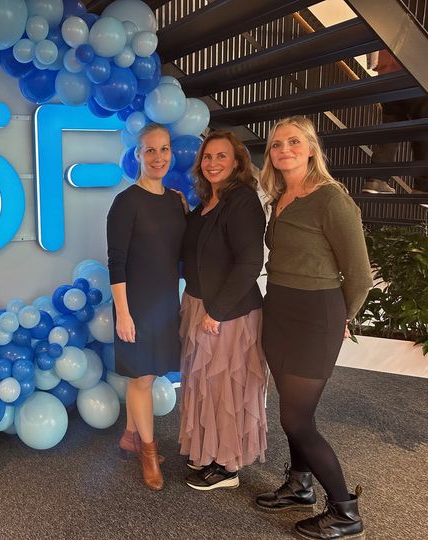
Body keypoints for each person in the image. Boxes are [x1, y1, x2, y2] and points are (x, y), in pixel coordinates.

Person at [256, 116, 372, 540]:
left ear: (310, 149)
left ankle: (345, 511)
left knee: (296, 418)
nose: (283, 149)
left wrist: (343, 317)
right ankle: (300, 485)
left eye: (293, 141)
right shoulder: (279, 198)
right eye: (276, 144)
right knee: (292, 410)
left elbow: (359, 275)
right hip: (279, 309)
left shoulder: (331, 199)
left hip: (315, 315)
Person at [178, 130, 268, 491]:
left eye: (221, 156)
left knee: (225, 388)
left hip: (228, 312)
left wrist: (217, 312)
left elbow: (250, 263)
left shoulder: (242, 201)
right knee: (204, 385)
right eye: (207, 156)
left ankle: (227, 467)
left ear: (237, 162)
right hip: (199, 304)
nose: (213, 163)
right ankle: (208, 450)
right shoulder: (205, 204)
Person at [106, 123, 186, 491]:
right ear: (138, 155)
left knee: (149, 375)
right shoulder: (126, 202)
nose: (158, 157)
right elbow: (117, 262)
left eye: (164, 149)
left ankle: (129, 436)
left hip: (165, 304)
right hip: (134, 305)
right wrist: (123, 313)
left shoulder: (175, 201)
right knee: (141, 378)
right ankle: (149, 452)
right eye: (150, 150)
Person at [363, 49, 428, 194]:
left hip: (387, 77)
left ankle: (376, 179)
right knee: (423, 130)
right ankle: (423, 187)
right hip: (415, 73)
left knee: (390, 131)